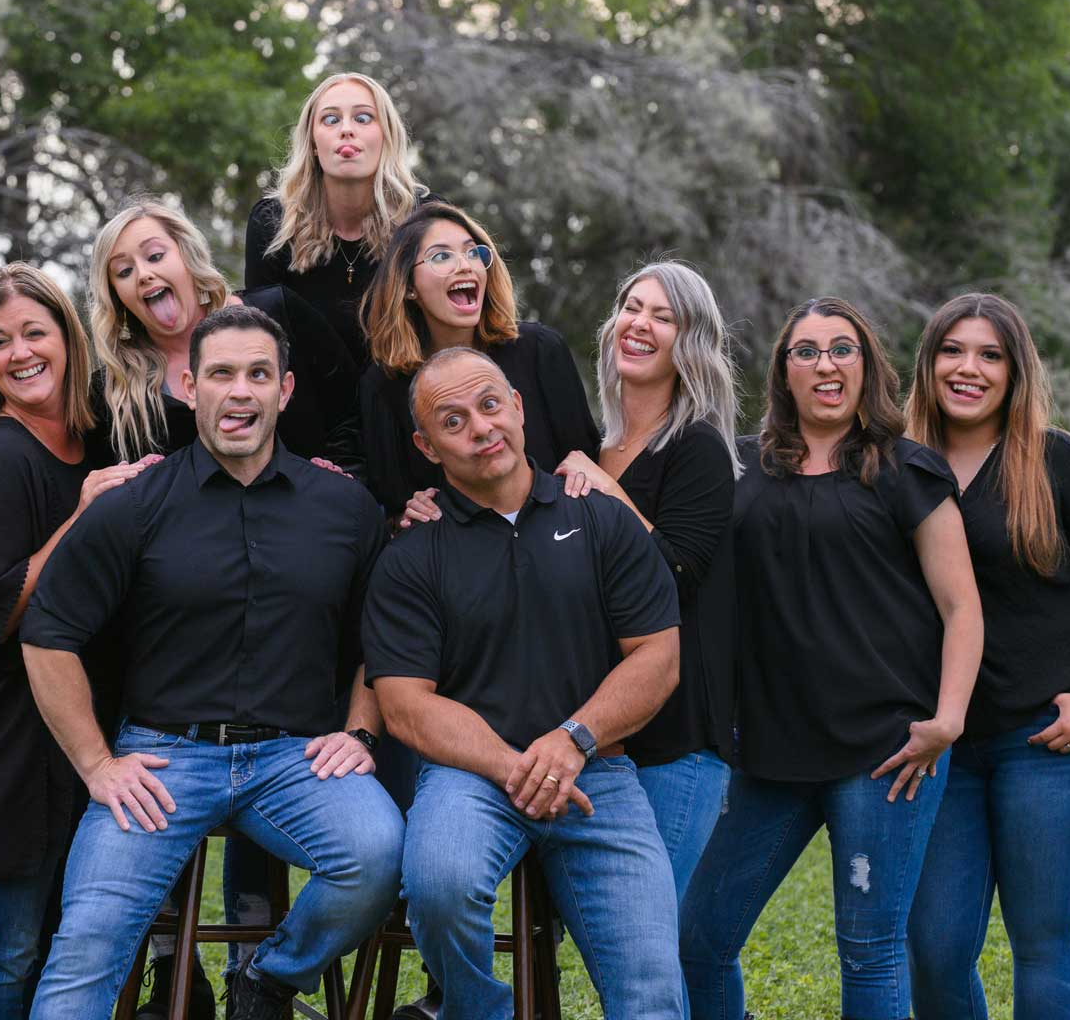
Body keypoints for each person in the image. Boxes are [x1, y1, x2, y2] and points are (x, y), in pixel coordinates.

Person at [21, 305, 404, 1020]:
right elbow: (48, 634)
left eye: (258, 374)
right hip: (163, 760)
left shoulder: (344, 508)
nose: (241, 393)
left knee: (377, 855)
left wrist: (359, 731)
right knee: (87, 943)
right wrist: (96, 763)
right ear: (191, 388)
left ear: (284, 391)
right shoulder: (135, 505)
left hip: (297, 757)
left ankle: (268, 978)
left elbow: (384, 640)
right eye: (222, 375)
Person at [678, 297, 984, 1020]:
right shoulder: (740, 466)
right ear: (784, 371)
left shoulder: (909, 469)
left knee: (870, 949)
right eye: (807, 351)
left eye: (842, 349)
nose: (825, 364)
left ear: (866, 367)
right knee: (700, 939)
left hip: (883, 752)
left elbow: (962, 607)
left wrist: (947, 721)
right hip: (770, 752)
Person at [365, 346, 688, 1019]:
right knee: (441, 883)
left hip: (597, 771)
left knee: (653, 984)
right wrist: (518, 767)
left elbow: (657, 656)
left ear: (516, 406)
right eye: (453, 422)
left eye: (489, 405)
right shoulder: (412, 555)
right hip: (471, 776)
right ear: (427, 446)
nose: (481, 427)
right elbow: (403, 704)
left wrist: (572, 741)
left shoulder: (600, 518)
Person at [0, 265, 159, 1019]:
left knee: (69, 940)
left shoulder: (97, 435)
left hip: (81, 729)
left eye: (34, 333)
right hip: (6, 747)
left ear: (68, 338)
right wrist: (81, 517)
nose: (20, 353)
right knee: (6, 948)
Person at [903, 293, 1070, 1020]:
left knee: (1040, 941)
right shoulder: (897, 464)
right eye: (952, 350)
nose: (967, 368)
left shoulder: (1057, 460)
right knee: (935, 947)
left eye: (989, 355)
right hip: (942, 741)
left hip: (1052, 736)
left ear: (1015, 371)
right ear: (929, 362)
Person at [553, 263, 741, 1012]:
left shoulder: (696, 448)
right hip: (604, 728)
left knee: (645, 954)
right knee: (624, 950)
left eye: (662, 316)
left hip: (679, 736)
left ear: (689, 341)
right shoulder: (594, 446)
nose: (639, 323)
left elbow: (674, 571)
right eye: (630, 306)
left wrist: (607, 491)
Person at [356, 201, 599, 530]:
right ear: (408, 286)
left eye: (473, 253)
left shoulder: (541, 349)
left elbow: (585, 461)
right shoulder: (382, 385)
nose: (465, 266)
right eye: (442, 256)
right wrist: (408, 513)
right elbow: (394, 508)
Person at [92, 196, 361, 469]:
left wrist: (343, 480)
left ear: (187, 254)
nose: (143, 274)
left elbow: (352, 409)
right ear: (115, 295)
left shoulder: (279, 311)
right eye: (124, 271)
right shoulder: (113, 391)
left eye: (155, 256)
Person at [245, 71, 429, 366]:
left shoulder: (425, 219)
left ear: (386, 136)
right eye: (331, 119)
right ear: (314, 144)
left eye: (363, 118)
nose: (346, 130)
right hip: (306, 400)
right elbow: (259, 342)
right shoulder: (272, 223)